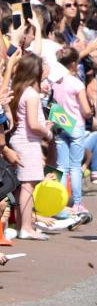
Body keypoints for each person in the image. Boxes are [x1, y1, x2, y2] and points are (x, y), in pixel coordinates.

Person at [8, 52, 53, 240]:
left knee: (21, 187)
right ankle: (26, 227)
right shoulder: (32, 94)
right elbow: (33, 124)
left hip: (18, 140)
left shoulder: (19, 89)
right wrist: (47, 132)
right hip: (28, 143)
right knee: (28, 186)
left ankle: (22, 225)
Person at [52, 46, 92, 215]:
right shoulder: (76, 83)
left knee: (61, 166)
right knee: (75, 166)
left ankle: (59, 204)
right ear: (74, 64)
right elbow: (86, 109)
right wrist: (89, 113)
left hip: (60, 124)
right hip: (76, 126)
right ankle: (77, 203)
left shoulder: (54, 82)